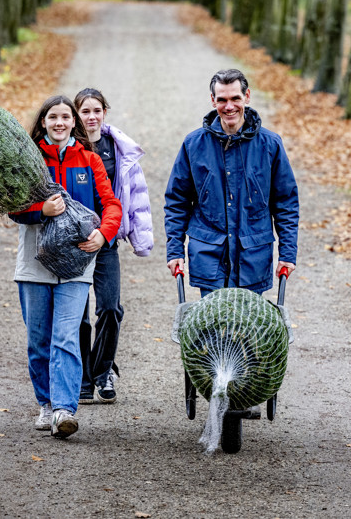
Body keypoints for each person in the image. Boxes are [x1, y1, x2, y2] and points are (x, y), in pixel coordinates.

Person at [9, 95, 122, 439]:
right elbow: (13, 207)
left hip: (77, 264)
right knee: (39, 340)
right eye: (52, 117)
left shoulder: (88, 159)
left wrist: (103, 235)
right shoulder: (28, 160)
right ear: (43, 122)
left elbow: (111, 204)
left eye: (65, 117)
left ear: (74, 122)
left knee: (66, 336)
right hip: (34, 263)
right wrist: (41, 210)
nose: (59, 123)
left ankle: (63, 410)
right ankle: (45, 402)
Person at [164, 69, 299, 296]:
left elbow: (286, 203)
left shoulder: (270, 145)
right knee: (213, 330)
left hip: (252, 258)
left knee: (249, 330)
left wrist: (288, 254)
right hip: (209, 257)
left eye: (235, 98)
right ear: (212, 101)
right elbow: (176, 202)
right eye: (222, 100)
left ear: (247, 96)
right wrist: (175, 251)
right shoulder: (193, 144)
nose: (229, 107)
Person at [73, 88, 153, 405]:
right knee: (77, 314)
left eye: (97, 110)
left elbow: (136, 194)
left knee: (109, 307)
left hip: (106, 239)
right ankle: (81, 378)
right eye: (85, 111)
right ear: (76, 114)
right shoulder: (69, 147)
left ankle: (103, 369)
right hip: (72, 244)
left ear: (105, 112)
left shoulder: (118, 148)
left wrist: (140, 239)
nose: (91, 117)